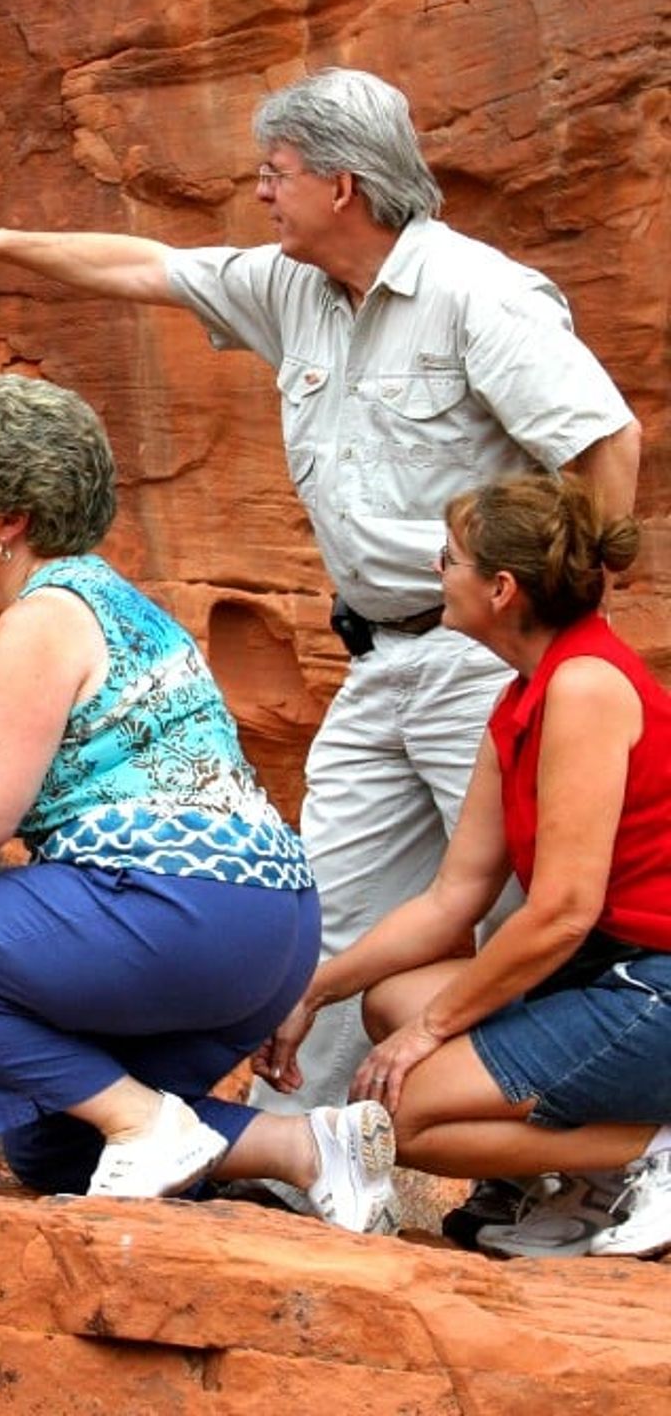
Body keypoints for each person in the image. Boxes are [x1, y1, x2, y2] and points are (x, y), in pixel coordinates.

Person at [0, 66, 640, 1236]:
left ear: (341, 183)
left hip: (489, 648)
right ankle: (325, 1164)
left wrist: (571, 606)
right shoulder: (296, 289)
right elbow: (144, 267)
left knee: (547, 904)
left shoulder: (477, 295)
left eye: (275, 175)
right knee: (326, 911)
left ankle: (587, 1161)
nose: (260, 194)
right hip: (377, 657)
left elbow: (603, 438)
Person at [0, 373, 397, 1234]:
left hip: (183, 912)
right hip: (271, 933)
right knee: (53, 1144)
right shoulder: (122, 603)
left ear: (9, 518)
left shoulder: (44, 617)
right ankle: (310, 1148)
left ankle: (143, 1122)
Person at [257, 472, 671, 1259]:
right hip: (611, 979)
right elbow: (453, 900)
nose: (435, 573)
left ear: (502, 588)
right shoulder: (523, 695)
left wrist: (428, 1035)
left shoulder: (584, 686)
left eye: (449, 559)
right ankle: (598, 1179)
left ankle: (650, 1144)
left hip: (656, 988)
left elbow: (561, 912)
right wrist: (313, 991)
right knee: (390, 1001)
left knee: (397, 1116)